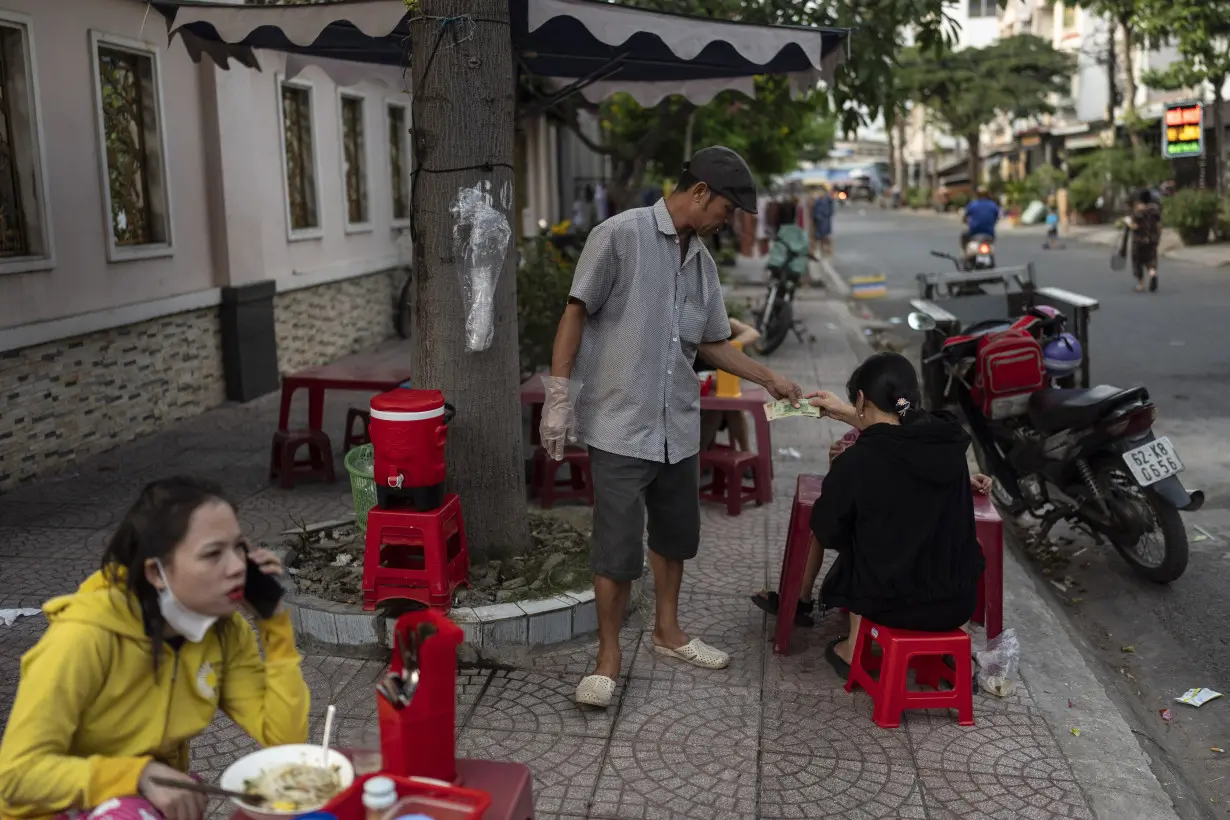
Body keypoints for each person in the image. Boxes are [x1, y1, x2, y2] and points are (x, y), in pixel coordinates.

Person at [540, 145, 804, 709]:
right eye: (727, 210)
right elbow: (575, 311)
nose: (727, 223)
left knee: (675, 534)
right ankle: (607, 659)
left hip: (677, 424)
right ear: (700, 192)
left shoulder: (702, 262)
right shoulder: (618, 236)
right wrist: (559, 394)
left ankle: (668, 632)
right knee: (615, 547)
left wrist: (768, 377)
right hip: (619, 420)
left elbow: (708, 341)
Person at [0, 477, 310, 820]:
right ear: (156, 572)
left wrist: (275, 626)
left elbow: (286, 742)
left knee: (279, 809)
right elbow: (15, 776)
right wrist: (137, 774)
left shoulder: (225, 632)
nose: (237, 565)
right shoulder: (83, 638)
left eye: (239, 547)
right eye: (212, 553)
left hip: (145, 798)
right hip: (56, 809)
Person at [750, 353, 986, 673]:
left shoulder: (857, 463)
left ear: (861, 399)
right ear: (907, 397)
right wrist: (847, 413)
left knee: (860, 547)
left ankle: (851, 653)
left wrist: (839, 490)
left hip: (893, 608)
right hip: (958, 605)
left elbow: (828, 531)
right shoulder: (948, 440)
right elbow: (906, 426)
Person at [697, 317, 761, 451]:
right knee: (719, 406)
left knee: (725, 404)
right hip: (693, 388)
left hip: (718, 388)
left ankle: (744, 452)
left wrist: (730, 346)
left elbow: (752, 333)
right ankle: (701, 457)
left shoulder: (720, 321)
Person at [1125, 188, 1162, 293]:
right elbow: (1158, 226)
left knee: (1138, 262)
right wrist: (1158, 237)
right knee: (1151, 259)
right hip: (1152, 240)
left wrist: (1128, 222)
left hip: (1139, 241)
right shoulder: (1154, 211)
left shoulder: (1138, 213)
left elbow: (1135, 226)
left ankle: (1141, 284)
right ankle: (1152, 273)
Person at [811, 185, 835, 258]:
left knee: (825, 237)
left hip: (824, 220)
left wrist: (826, 215)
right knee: (818, 237)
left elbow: (831, 210)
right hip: (818, 221)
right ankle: (818, 252)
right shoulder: (817, 200)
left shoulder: (828, 200)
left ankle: (826, 251)